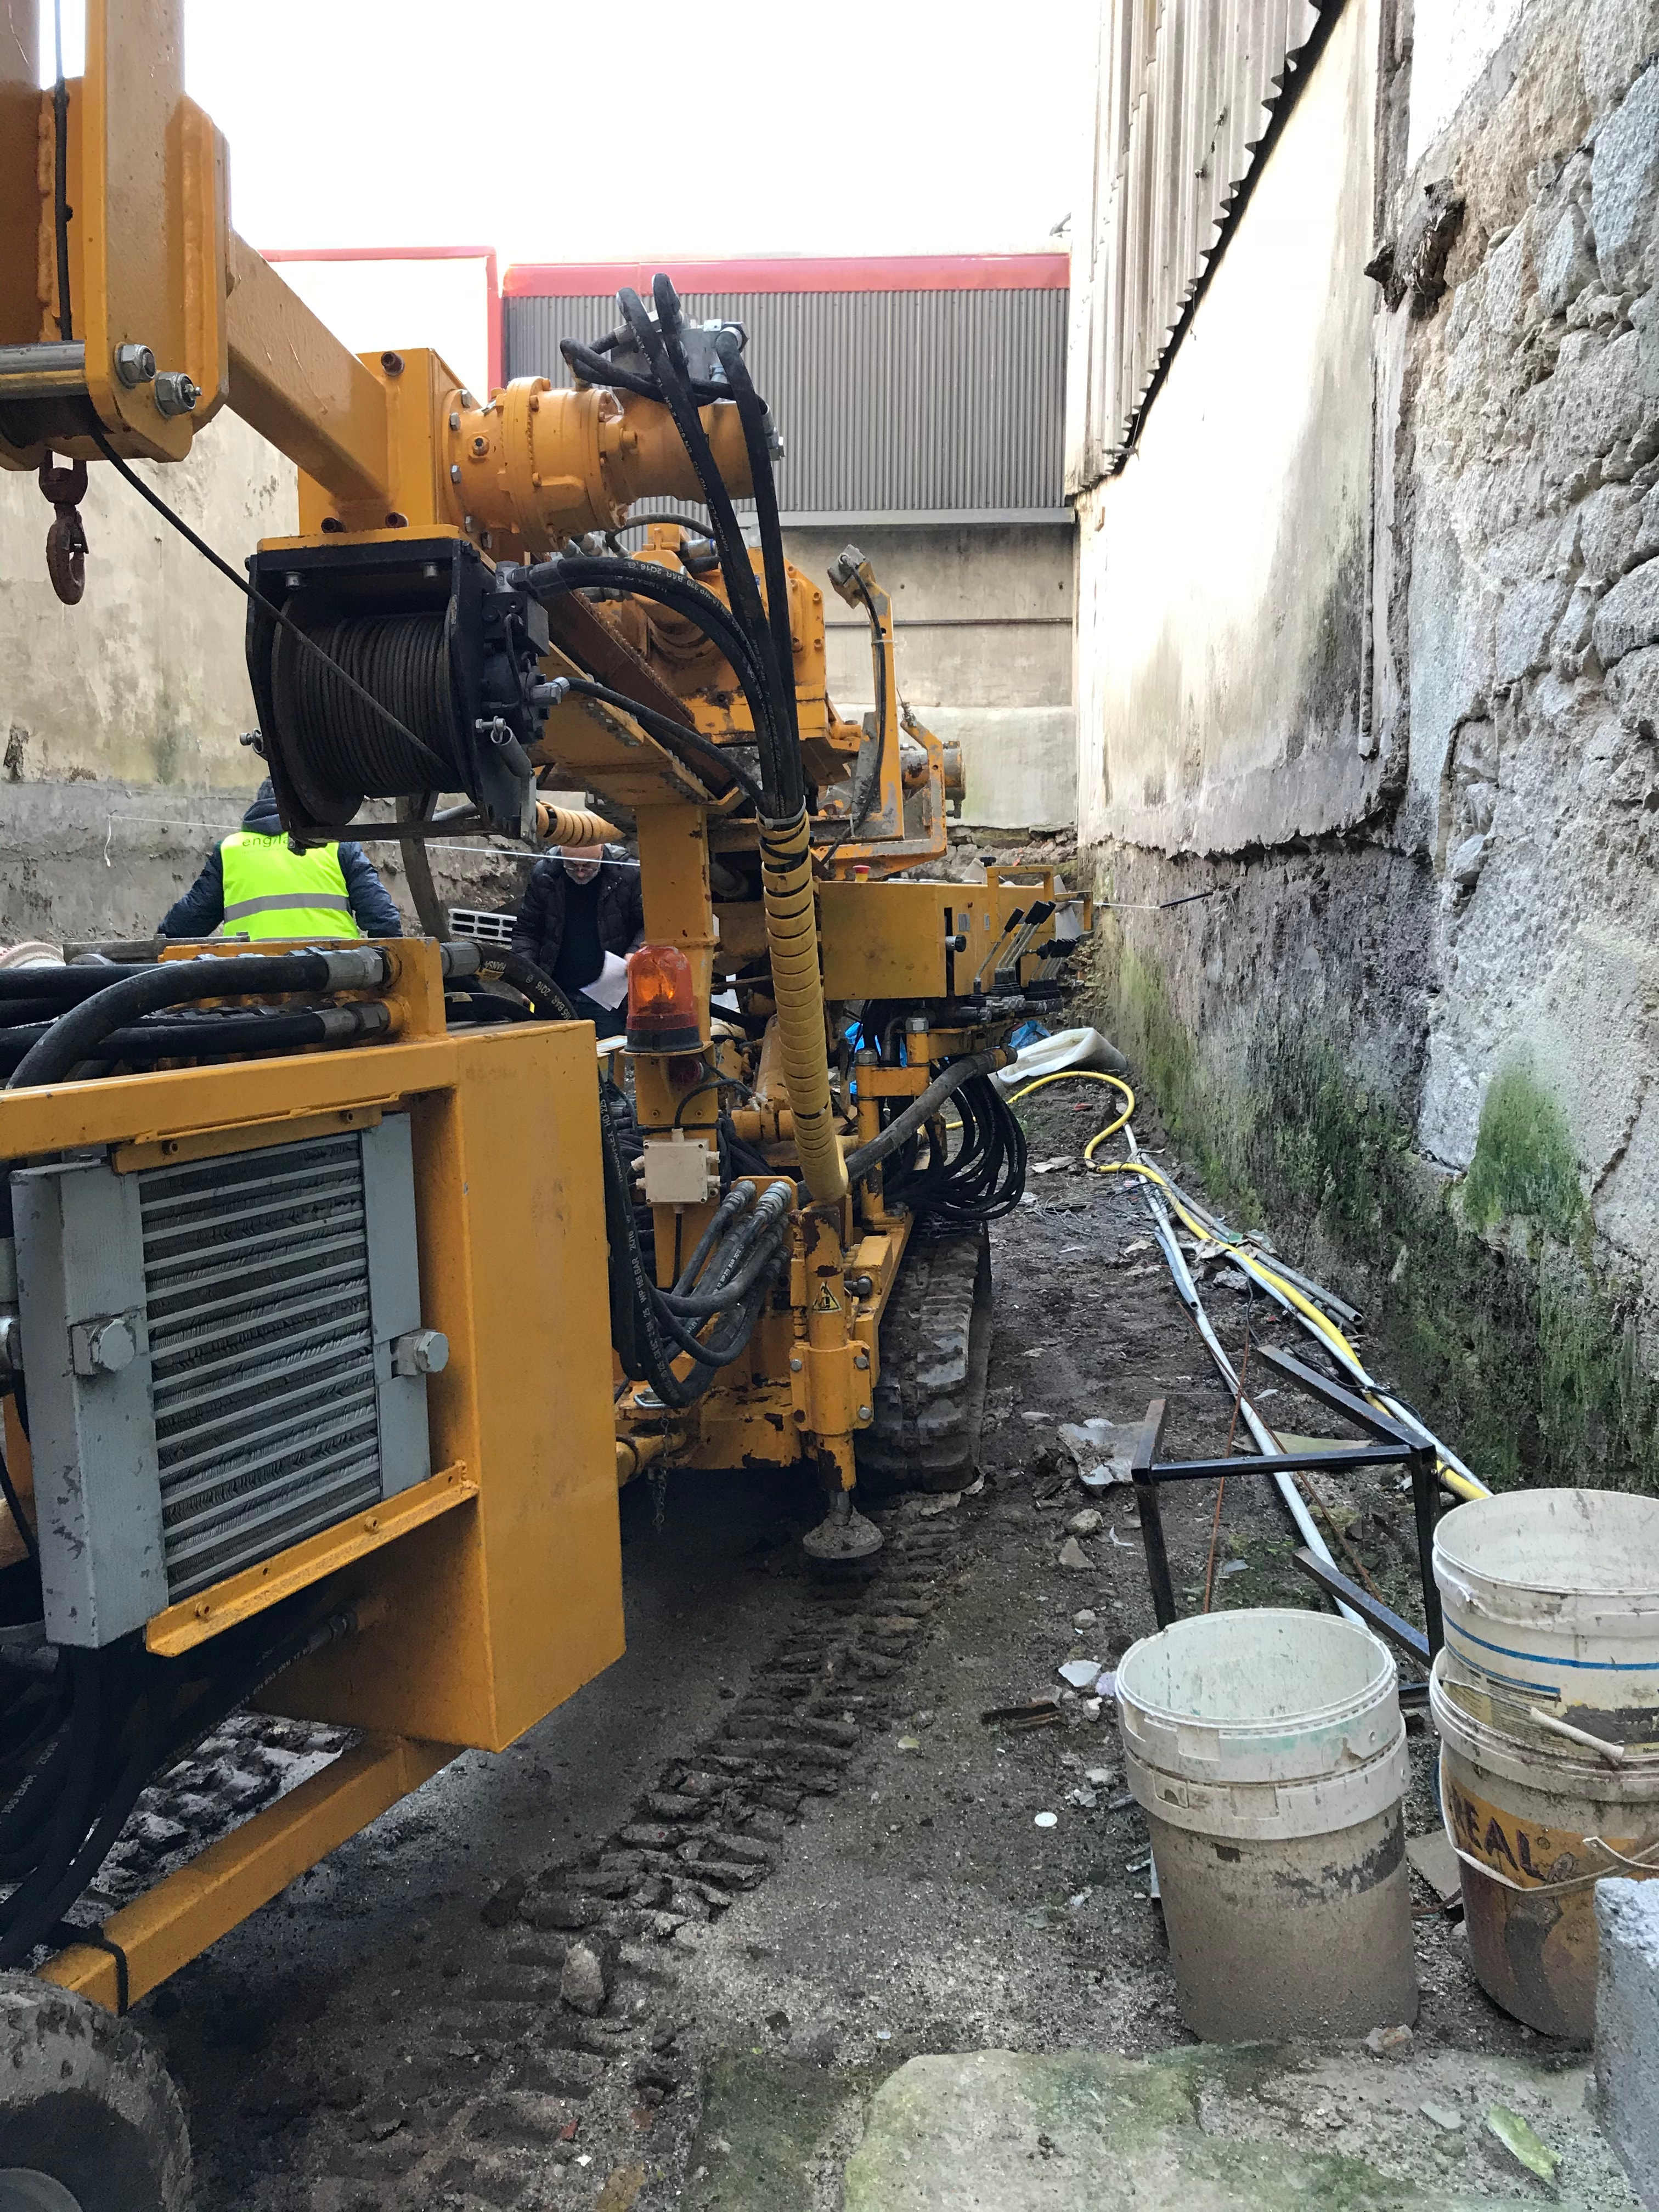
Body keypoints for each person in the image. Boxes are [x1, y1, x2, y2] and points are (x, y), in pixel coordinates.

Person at [159, 779, 402, 941]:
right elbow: (384, 920)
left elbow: (183, 927)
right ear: (309, 805)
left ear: (259, 806)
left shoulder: (230, 851)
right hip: (336, 982)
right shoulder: (335, 844)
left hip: (250, 987)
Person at [511, 842, 644, 1032]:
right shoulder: (545, 874)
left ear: (601, 854)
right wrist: (526, 979)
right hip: (554, 991)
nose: (580, 872)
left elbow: (648, 924)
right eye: (572, 866)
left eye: (588, 866)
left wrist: (635, 952)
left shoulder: (628, 874)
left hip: (608, 997)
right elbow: (526, 931)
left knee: (607, 1058)